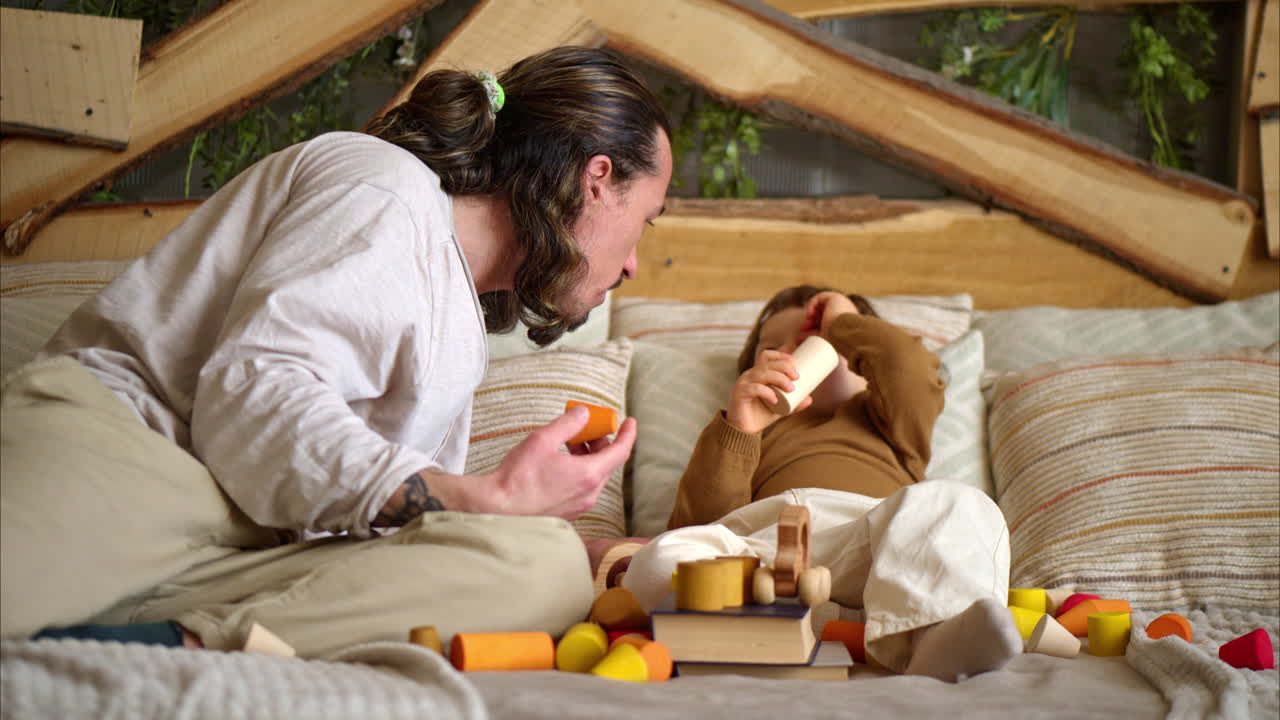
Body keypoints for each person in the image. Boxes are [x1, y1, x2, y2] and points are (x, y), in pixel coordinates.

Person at [0, 46, 673, 659]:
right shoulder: (383, 185)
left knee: (545, 568)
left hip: (241, 556)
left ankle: (177, 647)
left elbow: (379, 524)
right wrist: (481, 498)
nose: (636, 263)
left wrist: (574, 549)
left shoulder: (461, 328)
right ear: (596, 179)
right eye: (644, 220)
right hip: (132, 460)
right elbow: (253, 401)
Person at [618, 285, 1023, 682]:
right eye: (772, 347)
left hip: (875, 542)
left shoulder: (888, 422)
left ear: (868, 368)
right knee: (659, 559)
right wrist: (740, 429)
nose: (793, 353)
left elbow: (909, 369)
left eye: (818, 340)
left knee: (965, 504)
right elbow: (704, 521)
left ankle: (934, 635)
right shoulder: (754, 430)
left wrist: (844, 322)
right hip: (768, 551)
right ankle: (835, 624)